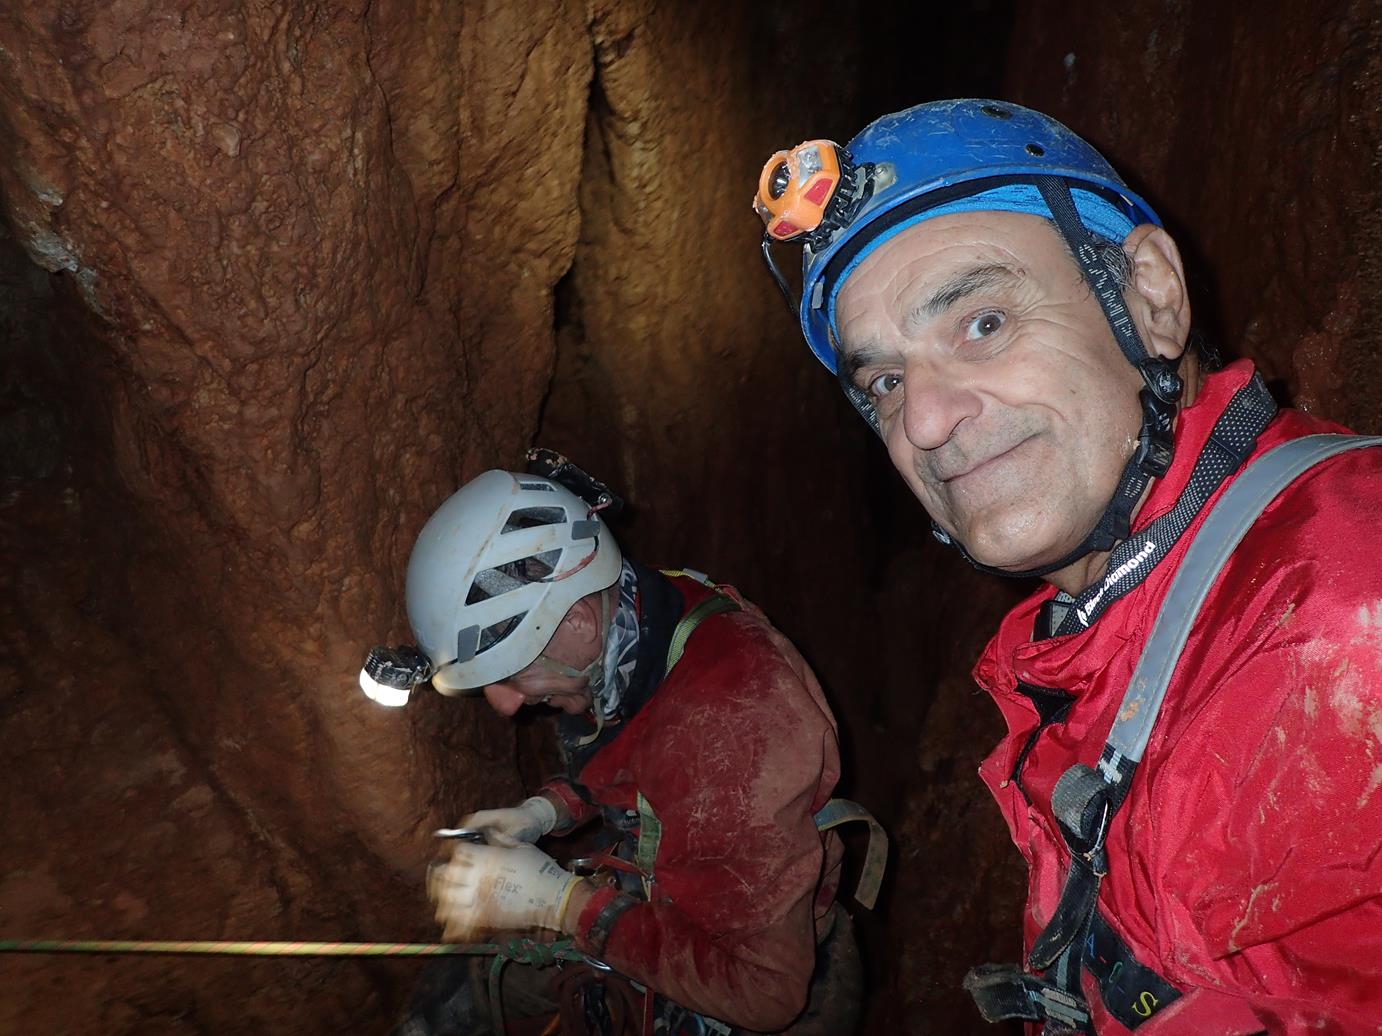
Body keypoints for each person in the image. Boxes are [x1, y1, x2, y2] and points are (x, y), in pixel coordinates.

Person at [755, 100, 1382, 1033]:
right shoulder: (1100, 637)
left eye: (984, 321)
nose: (923, 421)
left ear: (1152, 298)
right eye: (884, 382)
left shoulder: (1344, 610)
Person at [360, 457, 869, 1036]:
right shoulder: (646, 616)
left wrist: (564, 905)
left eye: (509, 673)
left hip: (751, 970)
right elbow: (642, 749)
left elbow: (764, 992)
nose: (503, 705)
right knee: (451, 1002)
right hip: (676, 890)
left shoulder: (733, 728)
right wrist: (546, 811)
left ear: (575, 621)